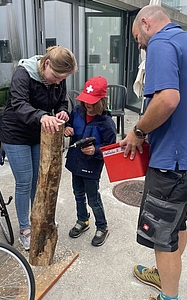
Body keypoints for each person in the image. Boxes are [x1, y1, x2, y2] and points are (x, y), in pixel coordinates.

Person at [120, 5, 187, 300]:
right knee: (177, 223)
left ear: (147, 24)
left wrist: (137, 132)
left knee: (161, 236)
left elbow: (167, 100)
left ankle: (168, 296)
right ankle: (163, 276)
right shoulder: (185, 42)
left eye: (138, 38)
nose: (140, 45)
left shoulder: (161, 43)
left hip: (175, 164)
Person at [0, 46, 77, 251]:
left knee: (38, 179)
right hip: (15, 133)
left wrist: (61, 113)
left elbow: (61, 101)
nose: (58, 81)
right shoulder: (23, 74)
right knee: (24, 182)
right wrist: (42, 116)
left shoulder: (58, 75)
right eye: (56, 77)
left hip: (37, 132)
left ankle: (38, 219)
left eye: (62, 79)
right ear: (46, 64)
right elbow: (19, 103)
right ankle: (25, 229)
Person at [65, 76, 117, 247]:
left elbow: (111, 149)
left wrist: (96, 151)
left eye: (92, 102)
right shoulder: (77, 113)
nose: (88, 105)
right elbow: (70, 125)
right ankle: (82, 220)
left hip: (91, 166)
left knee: (93, 198)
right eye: (86, 100)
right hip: (75, 162)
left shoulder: (107, 123)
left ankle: (102, 226)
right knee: (78, 194)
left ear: (102, 101)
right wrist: (68, 128)